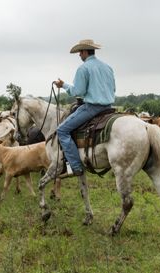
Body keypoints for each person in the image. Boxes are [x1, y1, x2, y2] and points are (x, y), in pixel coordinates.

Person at [53, 39, 116, 177]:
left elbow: (78, 92)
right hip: (109, 107)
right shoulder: (107, 67)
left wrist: (63, 85)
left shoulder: (83, 68)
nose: (79, 55)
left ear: (85, 51)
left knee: (62, 130)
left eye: (80, 52)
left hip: (92, 108)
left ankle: (75, 167)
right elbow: (113, 89)